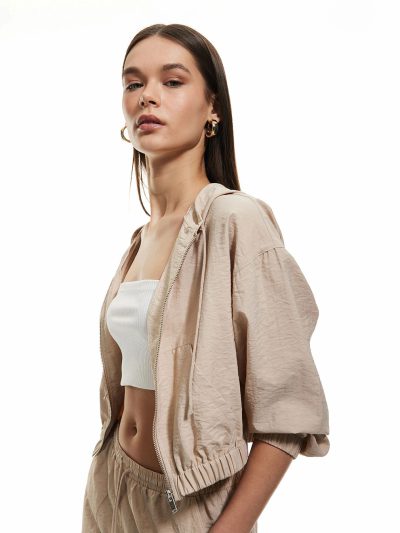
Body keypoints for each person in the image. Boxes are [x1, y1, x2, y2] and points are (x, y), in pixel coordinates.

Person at [81, 23, 330, 533]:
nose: (148, 96)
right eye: (134, 83)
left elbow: (287, 414)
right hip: (110, 492)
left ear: (212, 106)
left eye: (172, 82)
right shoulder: (141, 239)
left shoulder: (235, 220)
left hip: (191, 505)